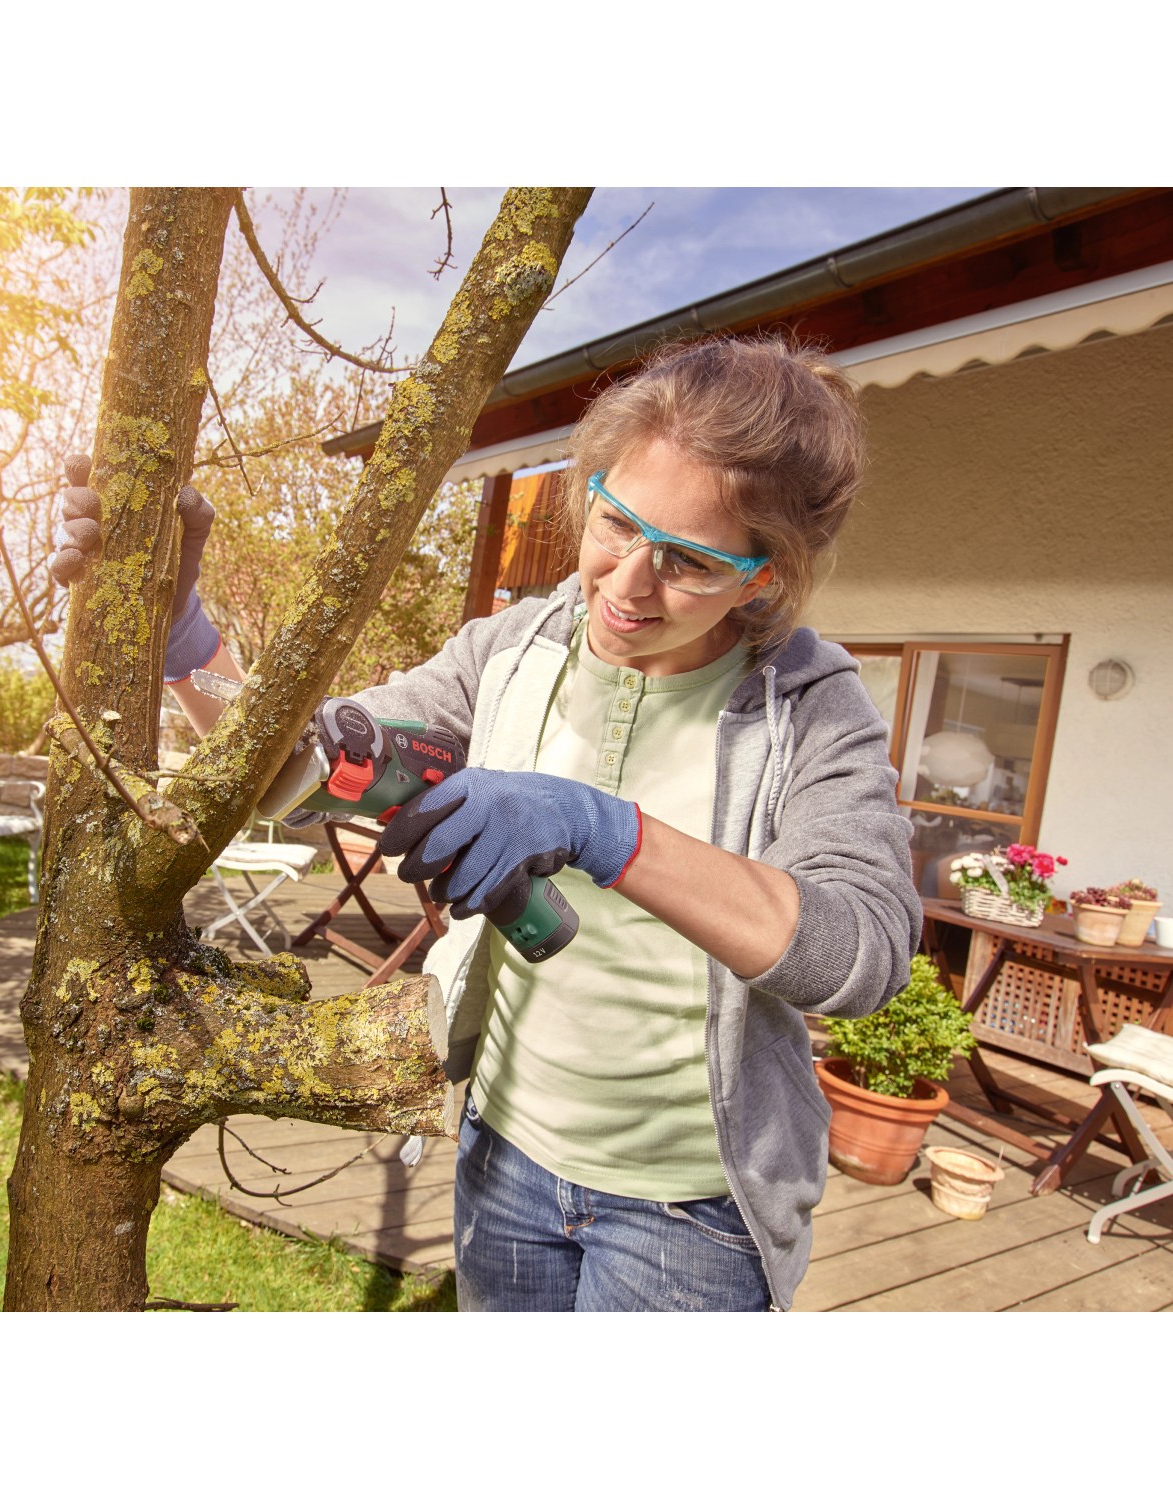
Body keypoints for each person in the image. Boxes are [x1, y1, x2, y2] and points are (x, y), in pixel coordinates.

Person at [54, 335, 922, 1313]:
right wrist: (186, 637)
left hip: (690, 1209)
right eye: (616, 523)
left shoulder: (808, 705)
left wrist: (608, 831)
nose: (628, 585)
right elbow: (309, 763)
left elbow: (862, 955)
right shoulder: (512, 649)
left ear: (762, 578)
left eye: (687, 562)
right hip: (503, 1155)